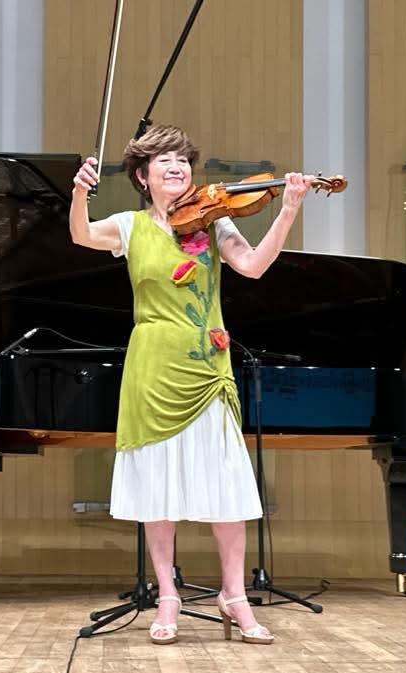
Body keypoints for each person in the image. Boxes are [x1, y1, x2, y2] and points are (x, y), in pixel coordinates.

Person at [69, 125, 309, 644]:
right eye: (166, 161)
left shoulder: (215, 220)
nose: (178, 167)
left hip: (206, 368)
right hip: (153, 367)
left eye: (183, 160)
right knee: (158, 490)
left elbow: (253, 266)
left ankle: (234, 595)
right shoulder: (129, 226)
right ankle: (167, 595)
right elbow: (81, 235)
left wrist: (288, 209)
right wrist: (79, 192)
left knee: (226, 486)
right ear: (143, 176)